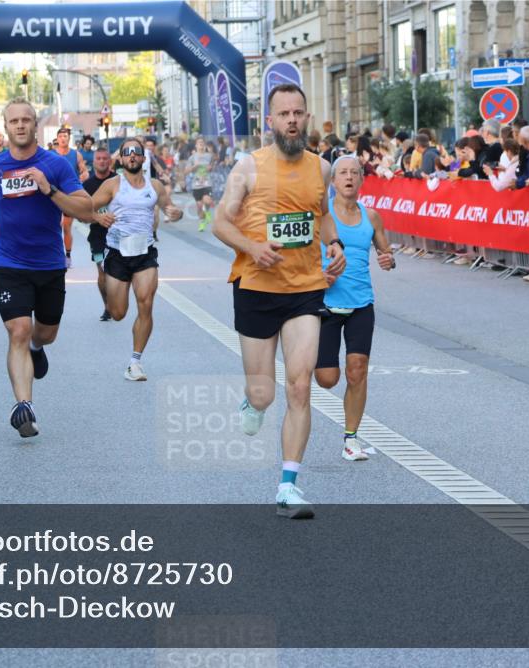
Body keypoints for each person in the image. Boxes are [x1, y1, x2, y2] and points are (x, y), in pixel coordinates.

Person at [212, 83, 346, 519]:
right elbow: (220, 223)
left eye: (298, 113)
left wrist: (335, 244)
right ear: (269, 121)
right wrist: (252, 248)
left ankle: (288, 486)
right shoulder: (248, 167)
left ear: (307, 117)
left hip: (305, 289)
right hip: (256, 287)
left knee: (300, 386)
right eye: (284, 113)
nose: (292, 120)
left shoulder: (321, 168)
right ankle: (252, 402)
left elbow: (321, 214)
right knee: (264, 393)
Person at [0, 100, 92, 438]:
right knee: (19, 330)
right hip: (9, 262)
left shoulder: (55, 164)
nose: (20, 125)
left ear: (35, 125)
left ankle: (38, 349)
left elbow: (85, 208)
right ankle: (24, 407)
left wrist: (49, 189)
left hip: (49, 263)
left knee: (45, 333)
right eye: (14, 121)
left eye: (26, 120)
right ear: (6, 127)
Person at [314, 155, 394, 461]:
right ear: (333, 181)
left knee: (357, 370)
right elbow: (302, 255)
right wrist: (317, 276)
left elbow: (386, 253)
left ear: (361, 179)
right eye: (343, 173)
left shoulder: (371, 217)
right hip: (326, 303)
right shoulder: (321, 215)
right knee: (327, 379)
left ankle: (351, 438)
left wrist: (388, 260)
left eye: (354, 173)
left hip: (361, 303)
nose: (348, 177)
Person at [88, 138, 183, 380]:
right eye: (127, 152)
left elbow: (170, 208)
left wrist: (177, 213)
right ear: (120, 158)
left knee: (146, 303)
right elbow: (85, 207)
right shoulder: (112, 185)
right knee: (118, 312)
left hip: (145, 252)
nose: (132, 156)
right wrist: (99, 217)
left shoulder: (155, 186)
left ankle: (135, 362)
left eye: (136, 152)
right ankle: (114, 304)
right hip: (117, 253)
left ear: (143, 157)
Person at [81, 147, 118, 321]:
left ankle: (118, 301)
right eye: (99, 158)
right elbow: (81, 215)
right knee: (102, 270)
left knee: (117, 273)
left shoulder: (119, 181)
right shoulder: (87, 186)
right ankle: (107, 307)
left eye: (105, 158)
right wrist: (98, 218)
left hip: (120, 234)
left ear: (110, 161)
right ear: (94, 162)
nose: (102, 161)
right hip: (98, 236)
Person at [51, 127, 88, 267]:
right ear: (57, 139)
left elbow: (84, 172)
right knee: (53, 226)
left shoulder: (76, 155)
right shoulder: (51, 154)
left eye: (65, 136)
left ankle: (67, 256)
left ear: (68, 138)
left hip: (69, 196)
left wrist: (82, 177)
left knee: (66, 226)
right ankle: (54, 254)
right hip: (53, 195)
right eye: (60, 136)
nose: (62, 138)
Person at [186, 136, 216, 231]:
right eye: (199, 143)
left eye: (202, 142)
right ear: (196, 145)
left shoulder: (209, 156)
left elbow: (212, 166)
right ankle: (202, 222)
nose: (201, 144)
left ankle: (207, 212)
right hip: (196, 185)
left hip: (207, 183)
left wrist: (211, 168)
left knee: (207, 201)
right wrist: (195, 166)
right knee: (199, 206)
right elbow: (186, 171)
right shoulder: (192, 158)